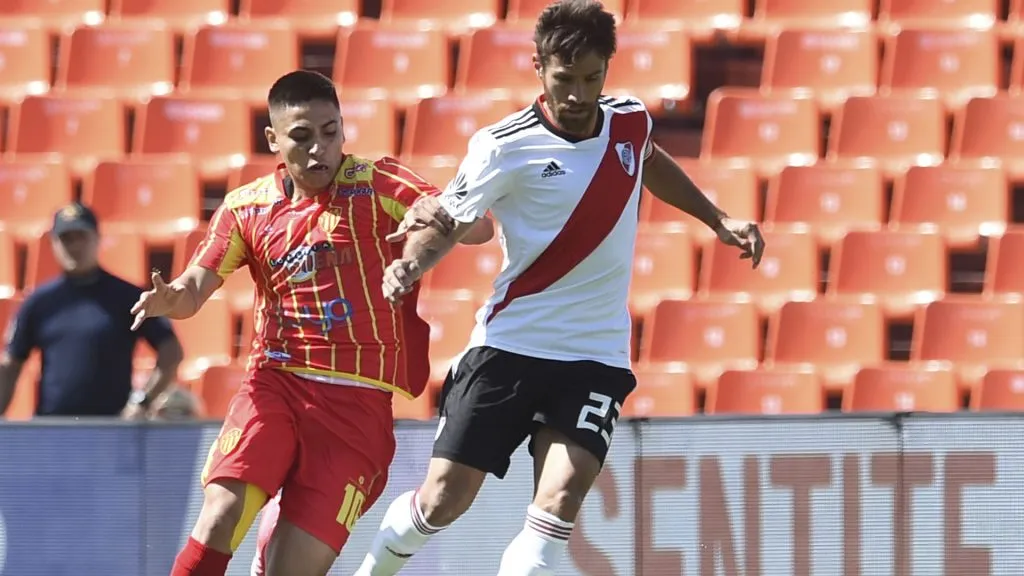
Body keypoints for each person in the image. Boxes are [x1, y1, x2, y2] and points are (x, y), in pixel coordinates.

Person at [354, 1, 766, 574]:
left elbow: (648, 159)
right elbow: (447, 221)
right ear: (538, 67)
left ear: (608, 69)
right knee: (443, 499)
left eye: (591, 78)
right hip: (509, 346)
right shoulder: (503, 145)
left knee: (556, 507)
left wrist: (717, 218)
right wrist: (410, 265)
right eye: (564, 79)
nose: (577, 94)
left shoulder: (629, 122)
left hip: (593, 355)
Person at [128, 69, 491, 576]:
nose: (320, 148)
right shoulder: (245, 207)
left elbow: (480, 230)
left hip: (356, 410)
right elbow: (193, 289)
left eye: (331, 131)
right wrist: (171, 299)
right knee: (220, 515)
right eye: (302, 137)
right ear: (273, 140)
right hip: (274, 385)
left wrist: (444, 214)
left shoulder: (379, 183)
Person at [0, 202, 183, 418]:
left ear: (97, 238)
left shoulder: (127, 297)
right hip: (53, 430)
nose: (75, 246)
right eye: (66, 239)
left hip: (110, 428)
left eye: (81, 236)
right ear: (53, 244)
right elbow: (11, 365)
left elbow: (171, 351)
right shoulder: (39, 302)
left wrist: (143, 401)